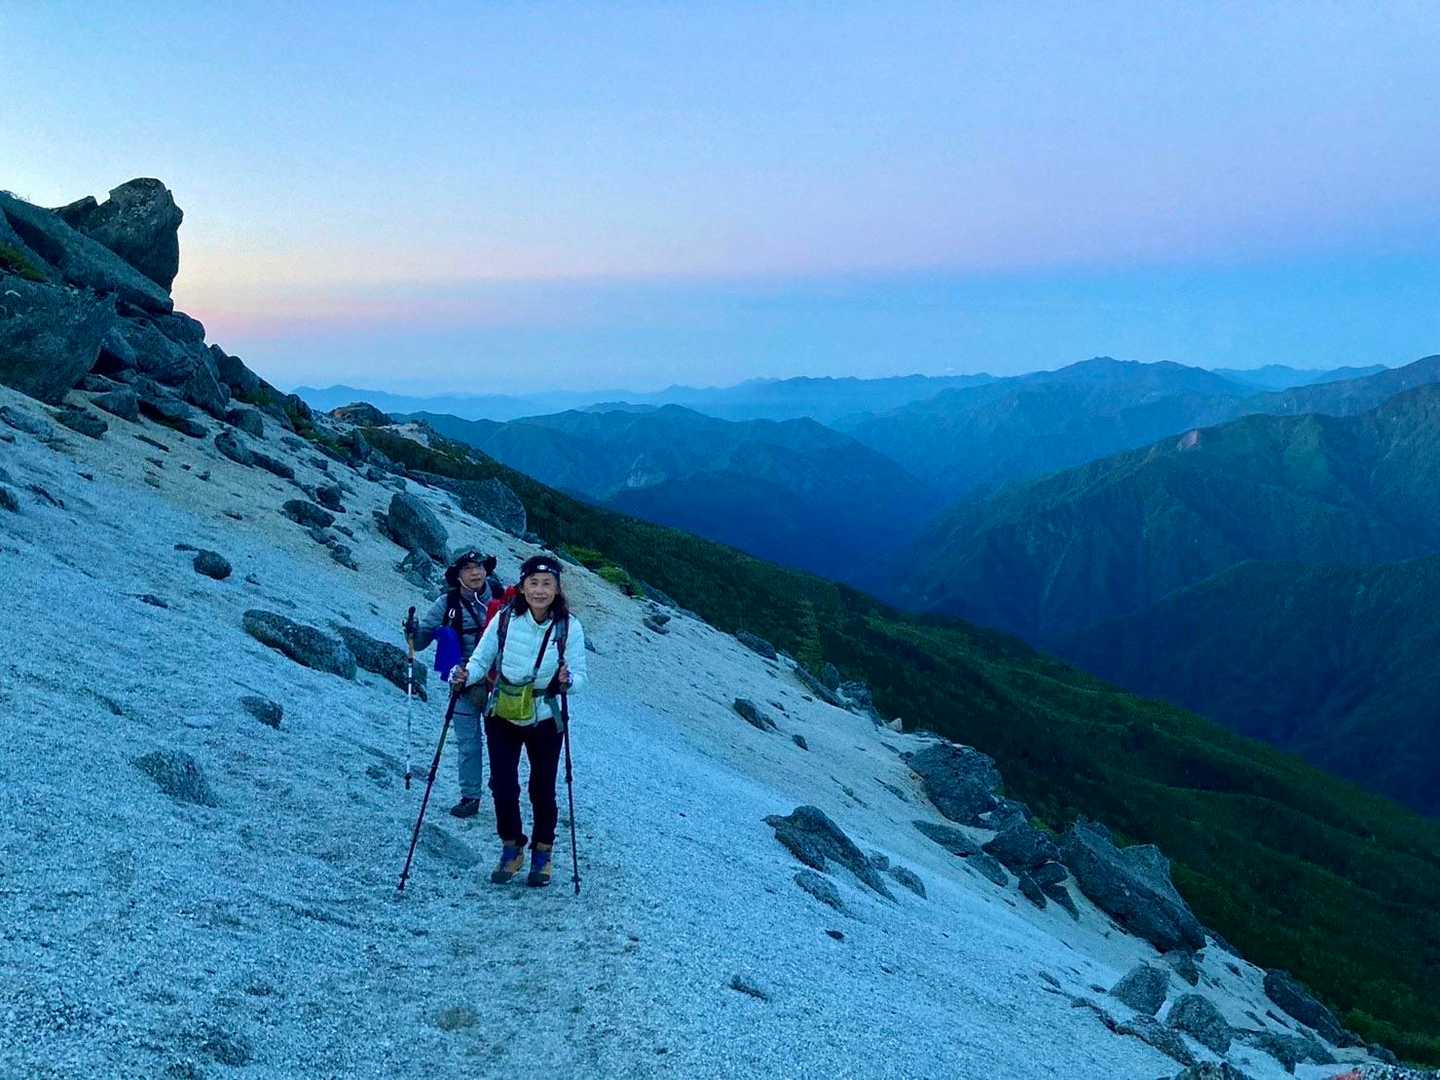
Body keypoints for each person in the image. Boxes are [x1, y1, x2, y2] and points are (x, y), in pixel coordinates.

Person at [452, 554, 587, 887]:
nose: (540, 590)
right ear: (522, 587)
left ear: (557, 589)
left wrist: (569, 680)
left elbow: (580, 675)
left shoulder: (569, 626)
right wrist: (465, 675)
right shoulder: (504, 619)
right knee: (502, 784)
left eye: (547, 584)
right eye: (533, 583)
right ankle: (511, 846)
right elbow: (481, 659)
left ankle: (542, 851)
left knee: (542, 787)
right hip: (503, 712)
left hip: (545, 715)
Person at [408, 550, 506, 818]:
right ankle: (470, 796)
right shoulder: (446, 603)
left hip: (500, 682)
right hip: (462, 682)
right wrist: (412, 632)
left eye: (479, 567)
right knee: (468, 743)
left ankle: (500, 787)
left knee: (501, 743)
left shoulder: (502, 597)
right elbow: (420, 641)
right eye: (468, 568)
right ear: (458, 574)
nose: (476, 572)